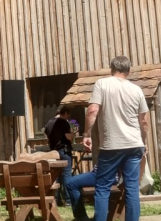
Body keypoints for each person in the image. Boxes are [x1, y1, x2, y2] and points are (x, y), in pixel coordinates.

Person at [82, 56, 148, 221]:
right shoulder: (137, 89)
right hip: (134, 144)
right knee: (132, 188)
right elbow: (144, 121)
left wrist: (86, 134)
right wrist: (144, 142)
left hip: (112, 145)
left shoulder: (102, 84)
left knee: (103, 187)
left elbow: (92, 111)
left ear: (111, 68)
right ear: (129, 70)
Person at [44, 104, 75, 206]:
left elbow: (48, 138)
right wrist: (73, 134)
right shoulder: (64, 122)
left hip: (53, 153)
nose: (68, 117)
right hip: (64, 150)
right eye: (68, 115)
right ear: (65, 113)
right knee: (67, 175)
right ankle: (68, 200)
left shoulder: (48, 123)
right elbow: (69, 137)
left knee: (55, 176)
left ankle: (55, 200)